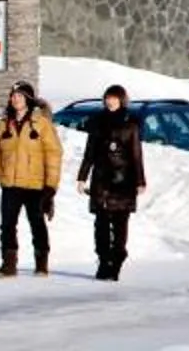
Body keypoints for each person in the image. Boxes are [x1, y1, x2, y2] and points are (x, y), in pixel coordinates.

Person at [0, 82, 62, 278]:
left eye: (20, 95)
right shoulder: (3, 124)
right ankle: (9, 265)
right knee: (7, 224)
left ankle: (41, 263)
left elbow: (54, 153)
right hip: (10, 183)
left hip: (35, 184)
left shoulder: (41, 123)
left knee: (37, 223)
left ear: (28, 99)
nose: (15, 99)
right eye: (13, 95)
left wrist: (51, 185)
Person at [74, 84, 147, 282]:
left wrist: (140, 181)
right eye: (107, 98)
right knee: (101, 225)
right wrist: (82, 177)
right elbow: (89, 153)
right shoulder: (98, 123)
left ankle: (117, 260)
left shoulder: (131, 123)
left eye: (114, 98)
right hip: (101, 180)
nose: (110, 102)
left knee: (120, 224)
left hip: (123, 181)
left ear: (121, 100)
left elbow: (136, 155)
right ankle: (104, 260)